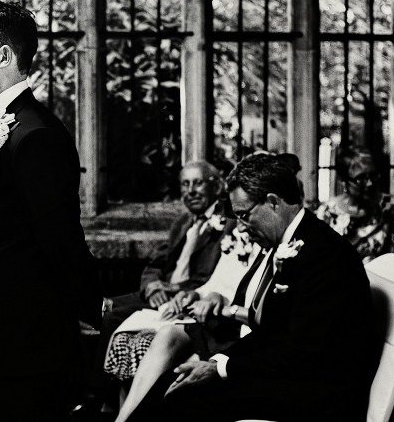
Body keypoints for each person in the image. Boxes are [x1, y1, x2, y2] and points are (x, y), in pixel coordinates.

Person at [126, 152, 377, 422]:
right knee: (172, 381)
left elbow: (304, 350)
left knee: (181, 399)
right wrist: (215, 363)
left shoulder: (322, 254)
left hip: (319, 392)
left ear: (273, 203)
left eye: (245, 215)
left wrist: (222, 370)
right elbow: (270, 333)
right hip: (293, 373)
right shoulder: (290, 242)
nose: (242, 228)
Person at [0, 0, 102, 422]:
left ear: (3, 56)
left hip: (26, 354)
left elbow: (61, 245)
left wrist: (99, 309)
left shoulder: (36, 137)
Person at [88, 163, 232, 418]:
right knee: (99, 306)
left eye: (198, 183)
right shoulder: (183, 221)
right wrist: (153, 286)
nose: (191, 191)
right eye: (185, 184)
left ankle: (99, 398)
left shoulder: (228, 225)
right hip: (160, 292)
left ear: (216, 185)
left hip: (182, 297)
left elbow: (211, 279)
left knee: (111, 317)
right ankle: (100, 393)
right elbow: (155, 264)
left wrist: (173, 289)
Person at [317, 143, 394, 259]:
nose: (370, 183)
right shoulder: (327, 212)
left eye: (373, 175)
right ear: (344, 181)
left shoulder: (386, 204)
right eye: (361, 178)